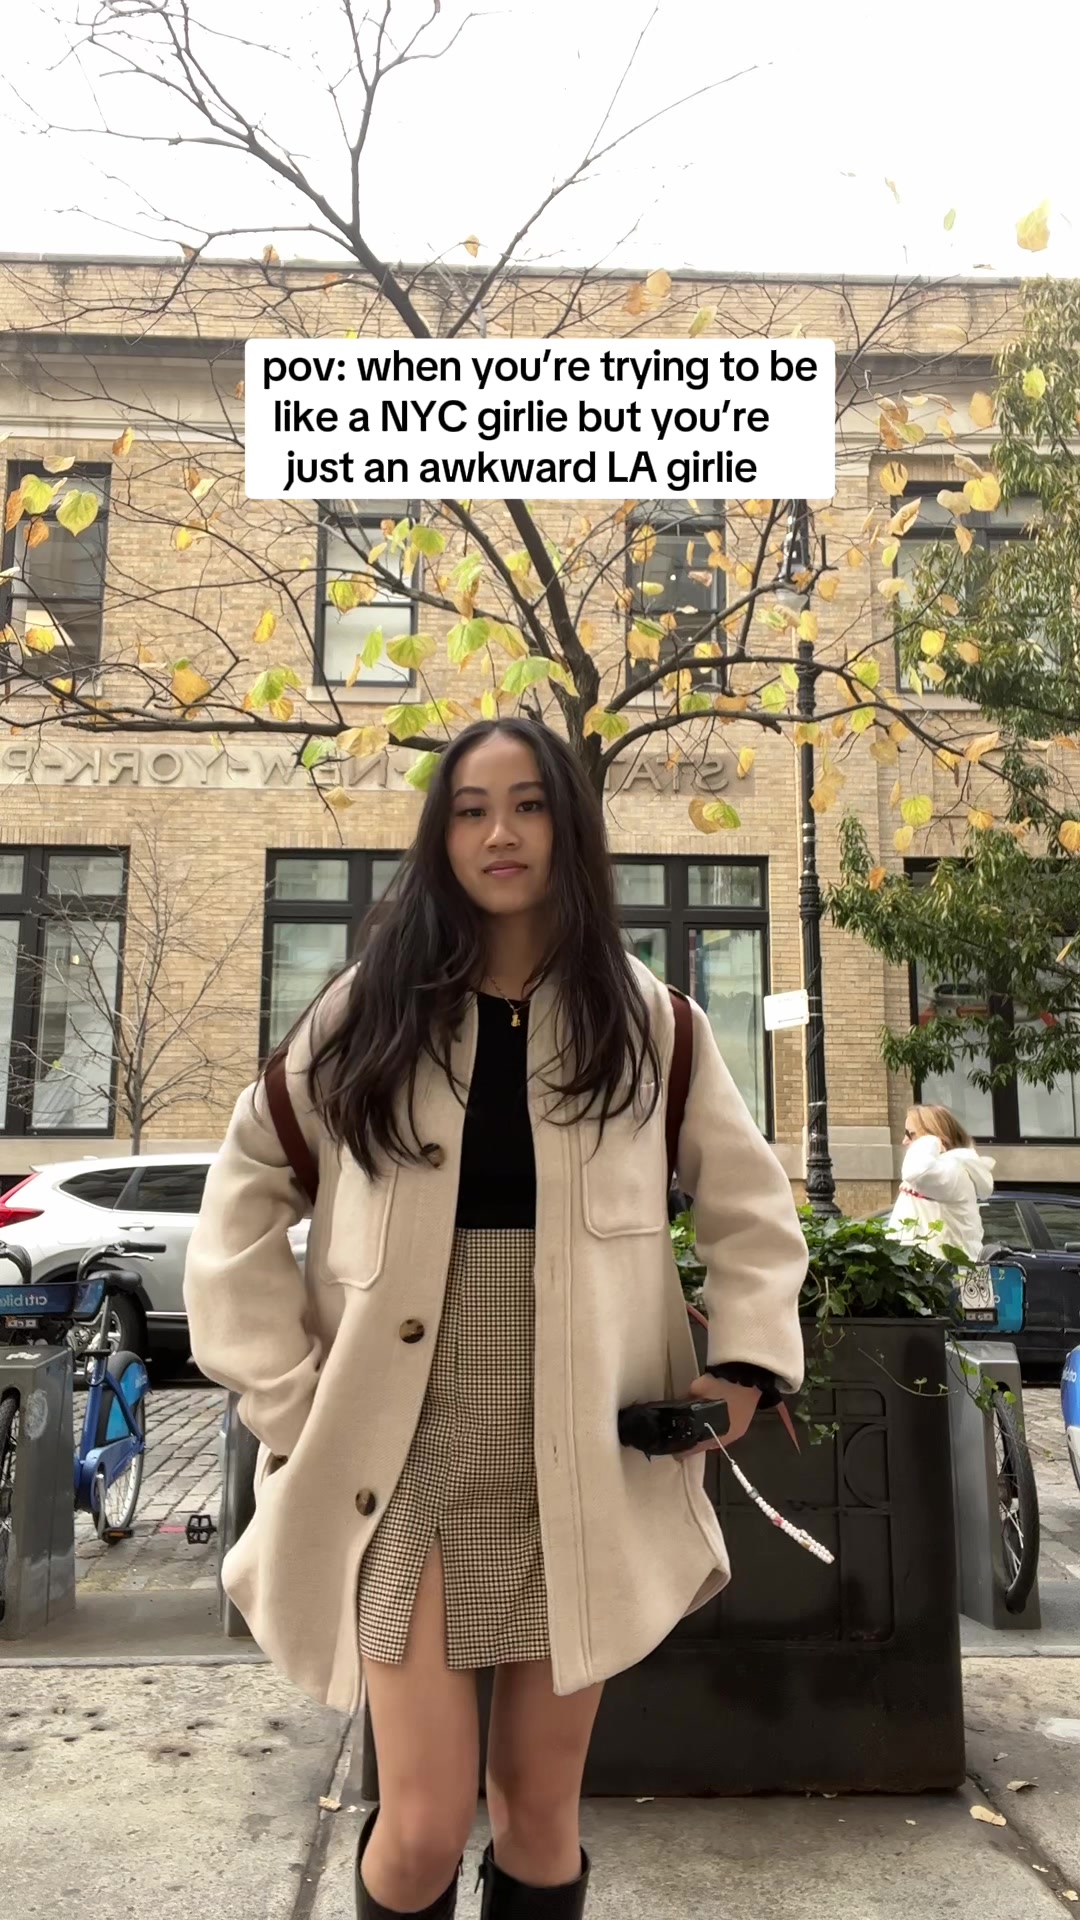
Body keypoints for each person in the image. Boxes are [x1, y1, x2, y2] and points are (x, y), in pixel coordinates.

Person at [183, 716, 807, 1920]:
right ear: (442, 835)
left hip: (577, 1449)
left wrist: (745, 1365)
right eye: (470, 810)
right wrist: (288, 1398)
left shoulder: (651, 1020)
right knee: (420, 1826)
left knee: (537, 1813)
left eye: (527, 806)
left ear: (568, 828)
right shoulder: (368, 1010)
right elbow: (243, 1193)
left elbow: (749, 1205)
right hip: (395, 1445)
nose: (500, 833)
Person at [888, 1103, 995, 1260]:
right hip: (942, 1269)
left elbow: (915, 1173)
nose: (905, 1141)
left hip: (950, 1271)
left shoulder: (953, 1170)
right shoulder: (944, 1168)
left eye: (911, 1134)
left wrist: (930, 1141)